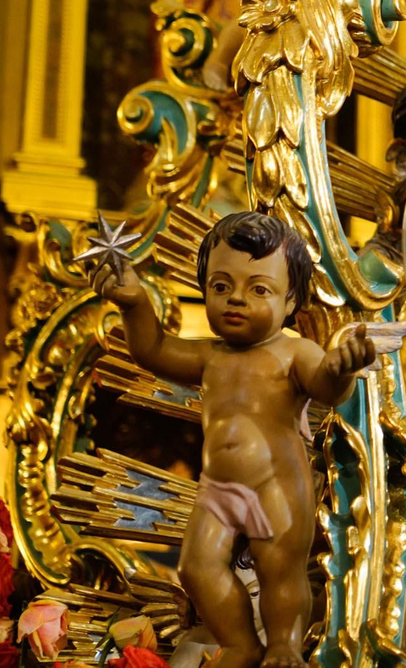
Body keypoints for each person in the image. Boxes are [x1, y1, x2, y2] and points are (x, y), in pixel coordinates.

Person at [93, 212, 379, 668]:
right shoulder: (211, 355)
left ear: (291, 303)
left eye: (258, 289)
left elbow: (326, 386)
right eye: (221, 286)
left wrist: (341, 367)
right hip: (219, 490)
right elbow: (153, 350)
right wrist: (133, 303)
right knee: (196, 566)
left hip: (277, 484)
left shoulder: (294, 353)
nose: (236, 300)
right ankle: (242, 643)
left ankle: (284, 645)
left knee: (279, 571)